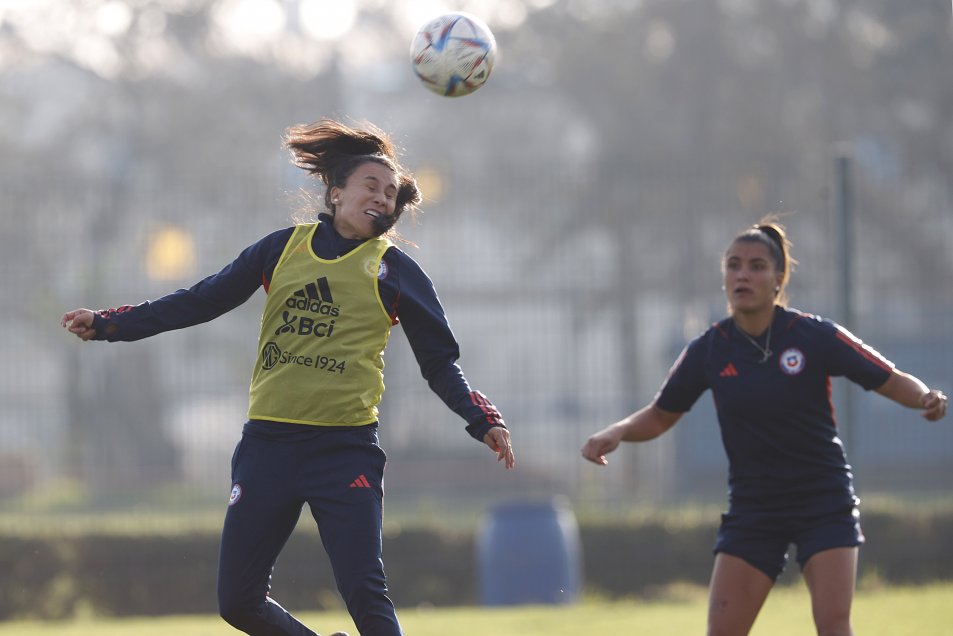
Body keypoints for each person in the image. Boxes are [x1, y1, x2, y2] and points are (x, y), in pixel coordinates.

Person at [62, 119, 516, 636]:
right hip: (268, 447)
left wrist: (481, 419)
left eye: (392, 194)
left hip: (344, 451)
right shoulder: (281, 250)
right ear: (336, 191)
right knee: (238, 603)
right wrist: (108, 324)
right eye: (372, 186)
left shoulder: (395, 272)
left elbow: (439, 362)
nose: (384, 199)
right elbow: (200, 300)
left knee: (366, 593)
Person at [580, 218, 947, 636]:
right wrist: (619, 431)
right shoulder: (710, 349)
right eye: (733, 265)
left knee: (833, 625)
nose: (742, 274)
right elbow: (662, 414)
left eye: (756, 266)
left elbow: (887, 375)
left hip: (822, 501)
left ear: (778, 279)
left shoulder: (812, 335)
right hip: (755, 508)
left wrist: (924, 397)